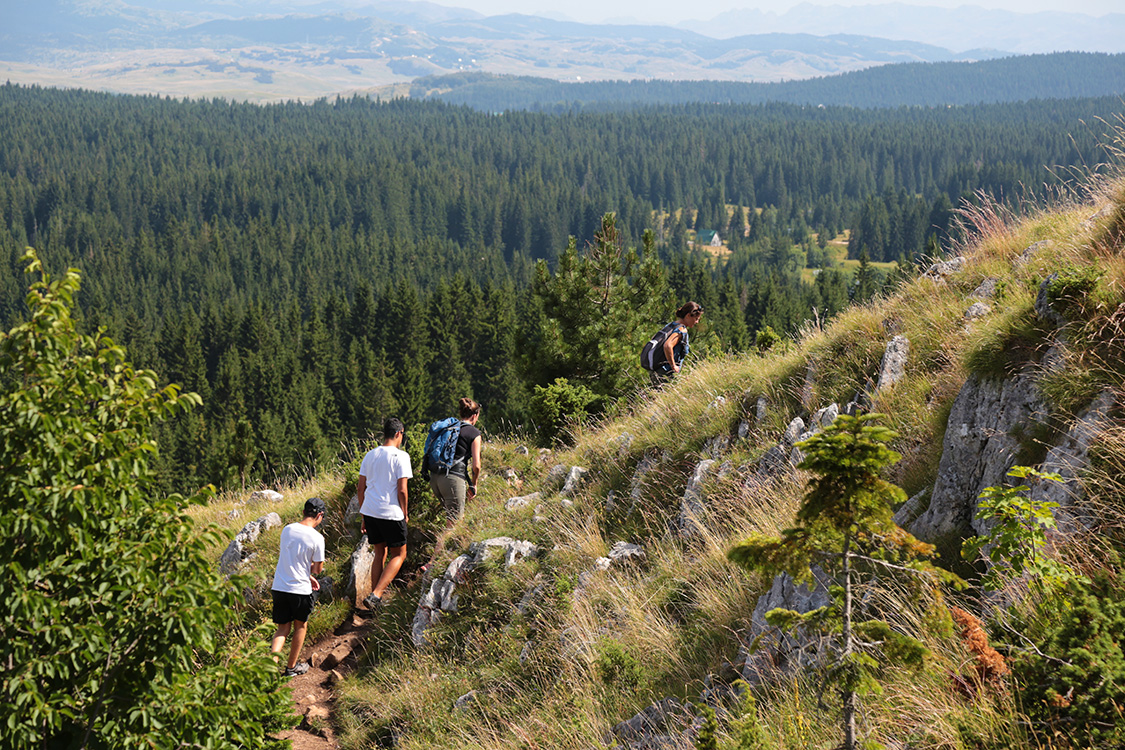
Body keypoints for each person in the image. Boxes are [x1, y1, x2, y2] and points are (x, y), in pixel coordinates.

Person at [357, 417, 413, 611]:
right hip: (391, 512)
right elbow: (402, 490)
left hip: (370, 511)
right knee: (400, 554)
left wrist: (364, 515)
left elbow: (360, 488)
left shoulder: (369, 455)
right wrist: (405, 512)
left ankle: (374, 601)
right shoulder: (401, 456)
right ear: (398, 434)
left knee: (380, 552)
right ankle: (377, 595)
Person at [270, 496, 327, 677]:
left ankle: (270, 669)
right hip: (300, 590)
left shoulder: (287, 530)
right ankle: (291, 668)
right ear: (320, 515)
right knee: (300, 626)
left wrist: (306, 574)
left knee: (282, 628)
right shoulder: (318, 538)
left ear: (303, 512)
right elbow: (318, 569)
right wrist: (309, 574)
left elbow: (291, 561)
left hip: (279, 587)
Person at [428, 397, 483, 524]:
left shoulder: (448, 428)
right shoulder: (474, 433)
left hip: (435, 478)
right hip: (452, 479)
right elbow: (476, 466)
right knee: (454, 524)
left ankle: (444, 543)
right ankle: (439, 545)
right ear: (475, 416)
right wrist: (474, 484)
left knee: (452, 520)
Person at [650, 301, 703, 386]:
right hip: (666, 372)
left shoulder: (670, 325)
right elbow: (667, 345)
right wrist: (673, 366)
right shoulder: (681, 330)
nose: (697, 322)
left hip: (657, 369)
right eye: (696, 319)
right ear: (688, 315)